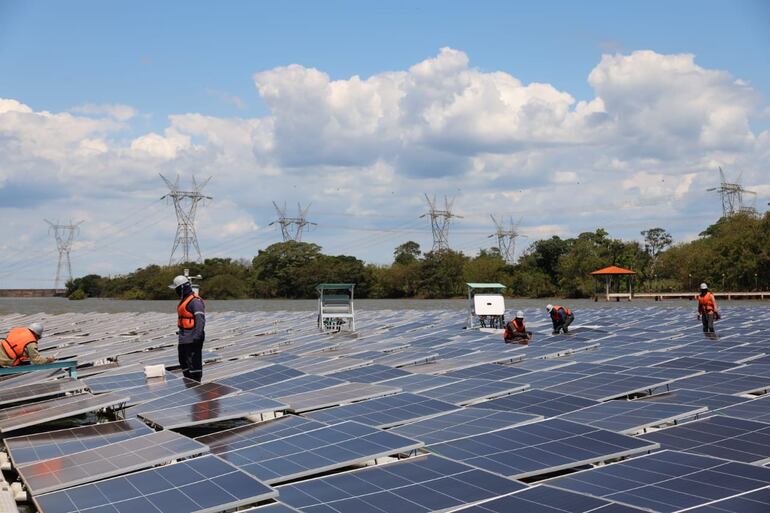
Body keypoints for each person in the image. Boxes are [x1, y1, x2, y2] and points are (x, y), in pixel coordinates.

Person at [170, 275, 206, 382]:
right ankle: (188, 382)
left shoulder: (195, 301)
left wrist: (197, 335)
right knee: (184, 362)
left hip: (192, 338)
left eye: (176, 288)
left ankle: (196, 384)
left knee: (193, 364)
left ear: (182, 288)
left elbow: (200, 320)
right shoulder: (184, 300)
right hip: (183, 337)